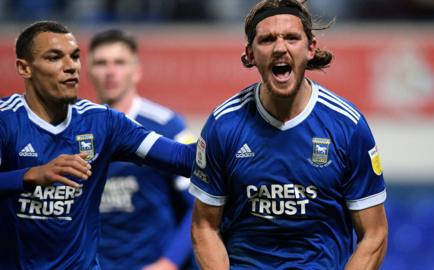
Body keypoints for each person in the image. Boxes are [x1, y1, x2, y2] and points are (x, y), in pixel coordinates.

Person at [188, 0, 388, 269]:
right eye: (267, 39)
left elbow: (374, 234)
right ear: (249, 54)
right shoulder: (223, 125)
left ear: (311, 48)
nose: (280, 48)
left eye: (292, 38)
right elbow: (204, 227)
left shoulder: (347, 126)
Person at [0, 21, 195, 269]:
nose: (70, 66)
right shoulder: (5, 121)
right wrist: (29, 175)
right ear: (24, 67)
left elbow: (185, 158)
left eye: (75, 57)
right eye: (54, 57)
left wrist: (235, 129)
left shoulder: (104, 123)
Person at [88, 29, 197, 270]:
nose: (110, 71)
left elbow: (199, 205)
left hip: (151, 263)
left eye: (119, 62)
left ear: (136, 71)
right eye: (101, 63)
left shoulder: (167, 126)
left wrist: (168, 263)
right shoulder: (79, 128)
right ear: (89, 71)